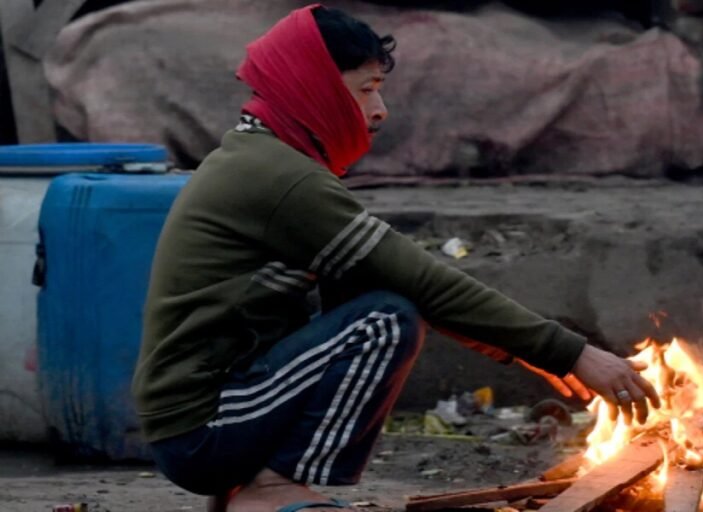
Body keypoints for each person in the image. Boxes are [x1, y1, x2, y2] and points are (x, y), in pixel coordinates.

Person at [131, 4, 660, 511]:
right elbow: (423, 280)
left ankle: (252, 487)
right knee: (384, 321)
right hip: (201, 430)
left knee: (370, 292)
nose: (379, 110)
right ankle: (273, 489)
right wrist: (571, 353)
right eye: (367, 90)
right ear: (312, 88)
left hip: (214, 415)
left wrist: (523, 352)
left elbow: (404, 280)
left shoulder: (262, 157)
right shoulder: (279, 177)